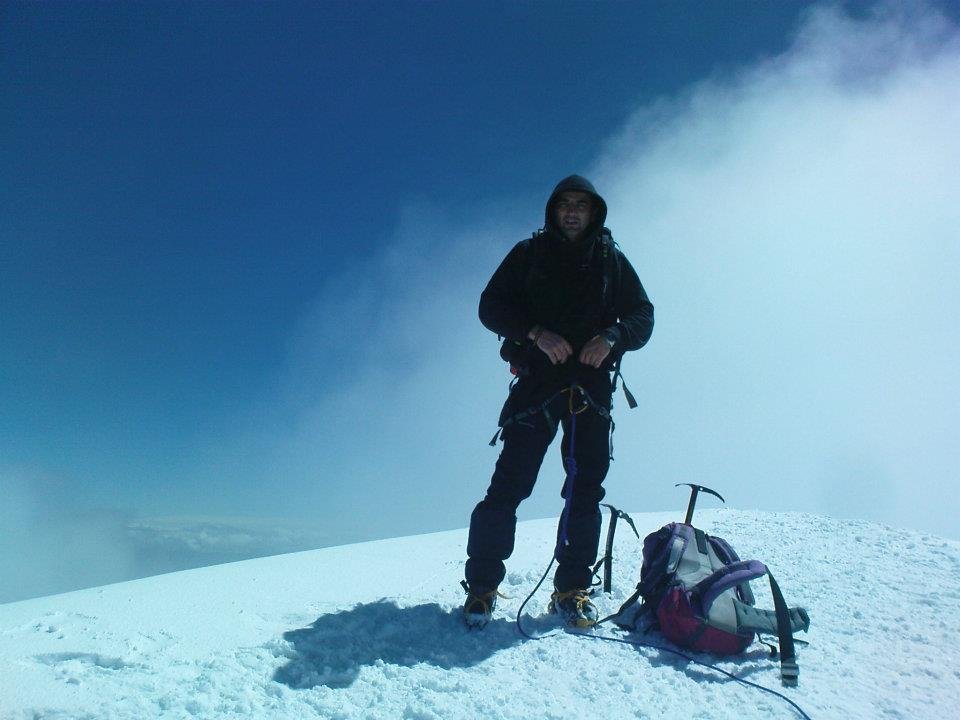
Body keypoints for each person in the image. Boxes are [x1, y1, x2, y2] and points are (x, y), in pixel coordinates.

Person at [462, 175, 654, 628]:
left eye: (581, 205)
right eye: (564, 204)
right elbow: (491, 306)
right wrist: (535, 333)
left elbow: (642, 316)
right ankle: (482, 588)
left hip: (589, 390)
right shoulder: (528, 255)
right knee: (509, 486)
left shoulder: (611, 261)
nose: (572, 211)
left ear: (593, 212)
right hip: (537, 386)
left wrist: (611, 337)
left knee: (584, 492)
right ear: (553, 210)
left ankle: (571, 589)